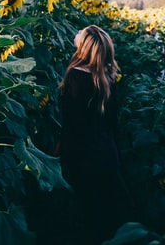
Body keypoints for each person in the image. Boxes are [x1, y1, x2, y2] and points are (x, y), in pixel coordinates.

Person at [58, 25, 129, 244]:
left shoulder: (76, 77)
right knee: (105, 212)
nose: (76, 35)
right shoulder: (107, 76)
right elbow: (113, 122)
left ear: (84, 48)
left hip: (83, 155)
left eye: (81, 34)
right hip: (106, 152)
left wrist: (61, 154)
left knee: (85, 211)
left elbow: (71, 125)